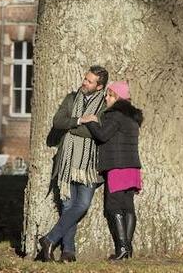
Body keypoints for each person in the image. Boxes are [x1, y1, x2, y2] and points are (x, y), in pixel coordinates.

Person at [36, 65, 109, 263]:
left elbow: (99, 132)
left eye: (89, 81)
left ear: (99, 87)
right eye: (85, 79)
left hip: (89, 164)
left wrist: (73, 127)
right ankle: (68, 252)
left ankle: (49, 239)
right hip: (67, 160)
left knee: (82, 205)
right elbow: (58, 121)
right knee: (68, 207)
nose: (84, 83)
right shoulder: (71, 98)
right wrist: (81, 119)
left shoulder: (104, 105)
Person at [80, 80, 143, 260]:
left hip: (117, 166)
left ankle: (122, 248)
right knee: (128, 207)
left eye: (109, 95)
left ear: (117, 97)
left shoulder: (114, 115)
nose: (106, 98)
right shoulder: (132, 117)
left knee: (113, 206)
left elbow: (102, 135)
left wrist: (92, 121)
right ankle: (128, 249)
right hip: (133, 167)